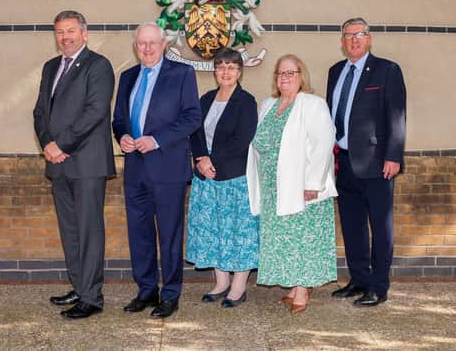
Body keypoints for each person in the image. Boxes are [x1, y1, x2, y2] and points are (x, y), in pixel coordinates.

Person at [112, 22, 201, 318]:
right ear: (135, 47)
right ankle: (146, 290)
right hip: (135, 168)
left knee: (169, 234)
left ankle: (171, 293)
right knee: (139, 234)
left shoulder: (181, 74)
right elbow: (119, 119)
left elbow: (192, 117)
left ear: (163, 44)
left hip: (168, 168)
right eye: (141, 44)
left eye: (152, 43)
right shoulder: (127, 77)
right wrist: (122, 135)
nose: (146, 49)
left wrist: (157, 140)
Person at [33, 10, 116, 319]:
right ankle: (79, 286)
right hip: (58, 164)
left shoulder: (98, 65)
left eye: (70, 31)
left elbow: (95, 112)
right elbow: (40, 111)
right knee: (70, 230)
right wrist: (46, 144)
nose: (64, 37)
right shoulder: (51, 66)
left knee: (89, 229)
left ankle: (92, 298)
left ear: (84, 33)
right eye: (59, 32)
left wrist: (61, 144)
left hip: (86, 163)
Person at [246, 54, 338, 314]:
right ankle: (295, 285)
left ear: (301, 76)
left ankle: (302, 290)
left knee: (302, 238)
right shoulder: (267, 105)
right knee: (284, 239)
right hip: (273, 187)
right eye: (280, 73)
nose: (285, 77)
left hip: (302, 186)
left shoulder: (312, 104)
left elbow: (323, 144)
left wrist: (313, 183)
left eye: (291, 72)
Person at [326, 17, 406, 307]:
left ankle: (378, 286)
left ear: (369, 38)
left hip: (377, 164)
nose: (354, 40)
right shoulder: (335, 71)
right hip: (344, 162)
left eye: (359, 34)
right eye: (348, 35)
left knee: (380, 228)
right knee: (353, 225)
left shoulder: (386, 70)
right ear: (342, 41)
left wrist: (393, 156)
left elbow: (396, 116)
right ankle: (358, 279)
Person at [186, 48, 259, 308]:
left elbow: (243, 139)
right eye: (220, 66)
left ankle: (238, 287)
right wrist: (200, 159)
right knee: (214, 231)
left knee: (237, 233)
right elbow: (193, 132)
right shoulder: (205, 99)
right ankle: (221, 282)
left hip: (233, 180)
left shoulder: (246, 101)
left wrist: (212, 161)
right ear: (214, 71)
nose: (225, 72)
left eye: (231, 67)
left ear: (239, 71)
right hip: (206, 179)